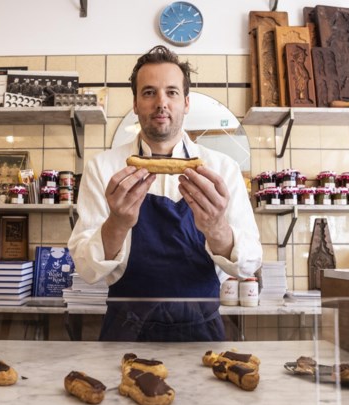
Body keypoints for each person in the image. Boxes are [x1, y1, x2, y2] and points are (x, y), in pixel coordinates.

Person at [67, 45, 262, 342]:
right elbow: (87, 270)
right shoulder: (104, 168)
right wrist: (117, 222)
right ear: (135, 103)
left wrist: (216, 228)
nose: (161, 103)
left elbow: (249, 262)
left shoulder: (222, 168)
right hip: (125, 329)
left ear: (185, 103)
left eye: (171, 92)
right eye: (149, 92)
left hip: (202, 329)